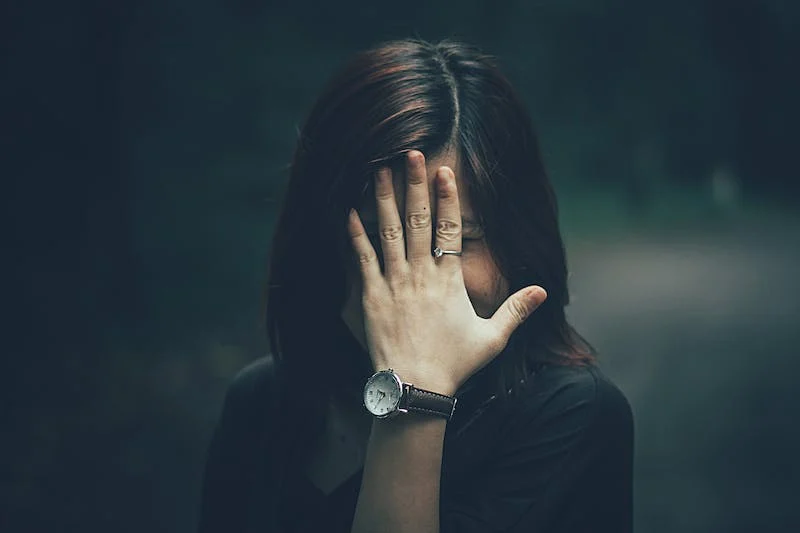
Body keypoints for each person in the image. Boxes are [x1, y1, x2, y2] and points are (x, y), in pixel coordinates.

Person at [197, 38, 634, 533]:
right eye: (388, 240)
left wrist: (413, 395)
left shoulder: (573, 417)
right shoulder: (260, 402)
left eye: (456, 239)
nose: (418, 286)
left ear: (519, 243)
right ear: (323, 244)